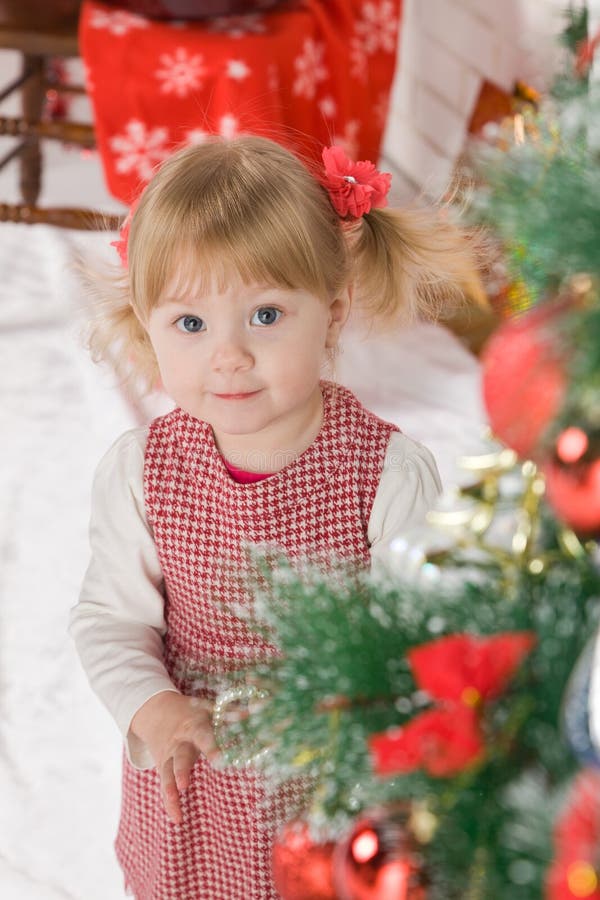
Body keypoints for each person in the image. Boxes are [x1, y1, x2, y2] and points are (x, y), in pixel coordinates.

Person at [70, 135, 482, 899]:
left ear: (331, 314)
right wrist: (153, 707)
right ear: (147, 323)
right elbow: (109, 620)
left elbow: (429, 641)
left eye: (265, 315)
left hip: (329, 780)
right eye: (191, 324)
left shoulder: (386, 475)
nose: (227, 356)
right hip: (193, 782)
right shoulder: (143, 471)